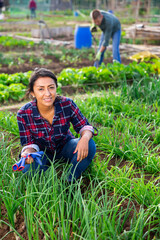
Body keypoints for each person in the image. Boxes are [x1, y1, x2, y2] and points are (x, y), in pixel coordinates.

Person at [17, 68, 97, 182]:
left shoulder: (66, 104)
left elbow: (85, 126)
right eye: (41, 89)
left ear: (56, 88)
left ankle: (69, 179)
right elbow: (28, 143)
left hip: (66, 147)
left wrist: (84, 138)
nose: (47, 93)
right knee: (28, 167)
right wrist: (28, 154)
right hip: (42, 153)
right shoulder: (23, 113)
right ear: (32, 93)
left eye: (51, 87)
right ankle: (44, 183)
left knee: (90, 144)